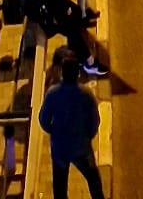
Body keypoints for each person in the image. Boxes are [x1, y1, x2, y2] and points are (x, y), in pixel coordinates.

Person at [39, 53, 106, 198]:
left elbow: (44, 120)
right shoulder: (86, 94)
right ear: (78, 73)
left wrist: (54, 132)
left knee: (60, 186)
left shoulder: (52, 94)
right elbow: (94, 121)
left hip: (60, 147)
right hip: (81, 146)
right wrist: (88, 136)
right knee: (93, 179)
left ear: (62, 73)